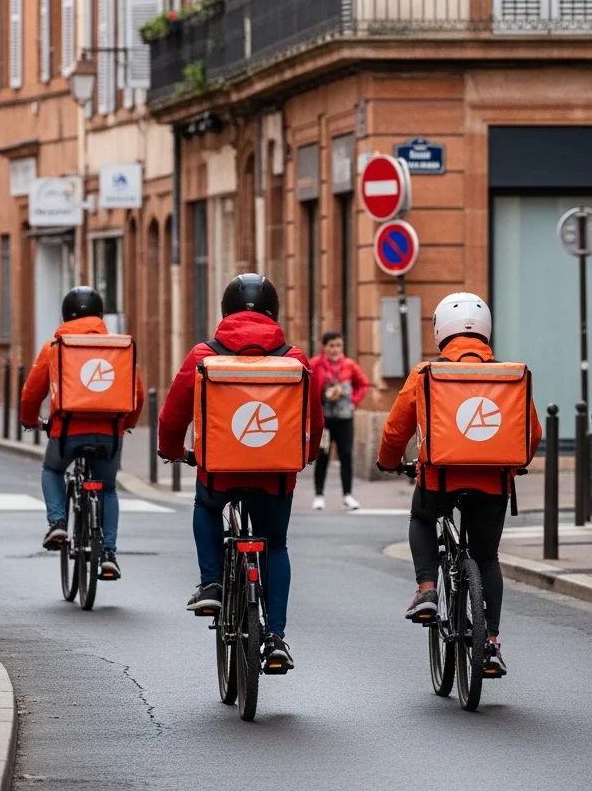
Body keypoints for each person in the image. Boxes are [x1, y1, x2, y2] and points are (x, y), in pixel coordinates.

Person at [158, 273, 324, 670]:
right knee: (277, 545)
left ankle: (212, 582)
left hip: (219, 473)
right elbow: (313, 420)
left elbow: (172, 414)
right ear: (274, 312)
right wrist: (307, 454)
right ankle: (277, 637)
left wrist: (173, 452)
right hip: (275, 475)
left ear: (225, 311)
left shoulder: (204, 355)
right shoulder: (294, 358)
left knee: (207, 506)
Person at [376, 291, 541, 678]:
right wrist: (513, 467)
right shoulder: (510, 375)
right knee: (487, 558)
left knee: (421, 519)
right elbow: (531, 433)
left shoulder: (426, 373)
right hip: (493, 483)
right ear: (485, 331)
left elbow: (395, 430)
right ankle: (493, 643)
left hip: (439, 479)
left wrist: (388, 462)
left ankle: (427, 589)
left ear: (440, 332)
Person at [21, 286, 145, 580]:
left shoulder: (55, 346)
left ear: (65, 315)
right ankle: (109, 554)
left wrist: (30, 420)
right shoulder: (120, 347)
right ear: (101, 316)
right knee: (109, 488)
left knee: (52, 470)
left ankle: (58, 523)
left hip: (67, 432)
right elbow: (137, 393)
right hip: (109, 435)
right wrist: (126, 423)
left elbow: (31, 393)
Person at [309, 330, 370, 511]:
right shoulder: (315, 364)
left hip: (344, 417)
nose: (335, 350)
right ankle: (319, 495)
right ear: (324, 347)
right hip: (324, 419)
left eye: (338, 345)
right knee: (322, 456)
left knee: (346, 455)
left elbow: (363, 384)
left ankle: (348, 495)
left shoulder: (349, 365)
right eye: (331, 346)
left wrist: (354, 402)